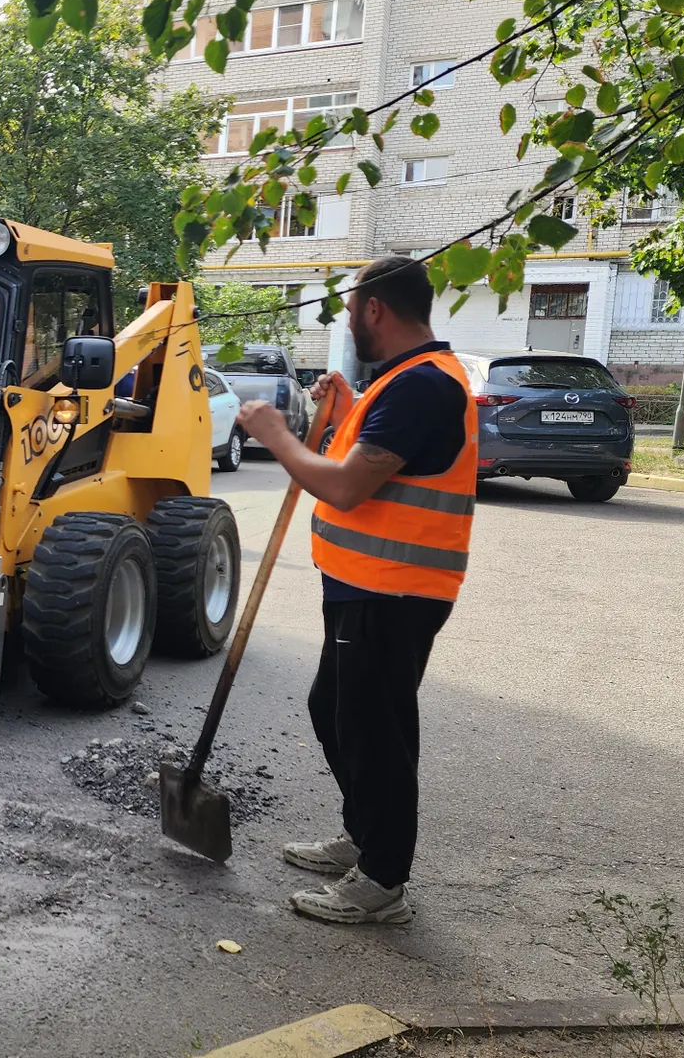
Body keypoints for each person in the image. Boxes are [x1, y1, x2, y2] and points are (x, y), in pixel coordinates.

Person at [235, 256, 476, 926]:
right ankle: (366, 836)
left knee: (375, 729)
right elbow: (358, 459)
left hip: (392, 592)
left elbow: (343, 485)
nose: (348, 321)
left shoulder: (423, 386)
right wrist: (339, 410)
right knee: (336, 710)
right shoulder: (401, 381)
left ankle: (382, 881)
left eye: (349, 310)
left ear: (375, 309)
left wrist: (276, 435)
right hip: (365, 587)